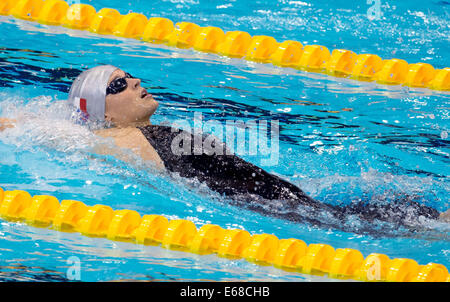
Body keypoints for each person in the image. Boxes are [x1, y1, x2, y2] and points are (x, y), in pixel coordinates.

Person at [1, 65, 449, 233]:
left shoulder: (141, 131)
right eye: (119, 84)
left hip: (291, 196)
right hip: (275, 209)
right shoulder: (111, 140)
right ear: (104, 112)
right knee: (412, 225)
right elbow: (44, 130)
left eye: (130, 75)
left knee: (403, 207)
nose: (135, 81)